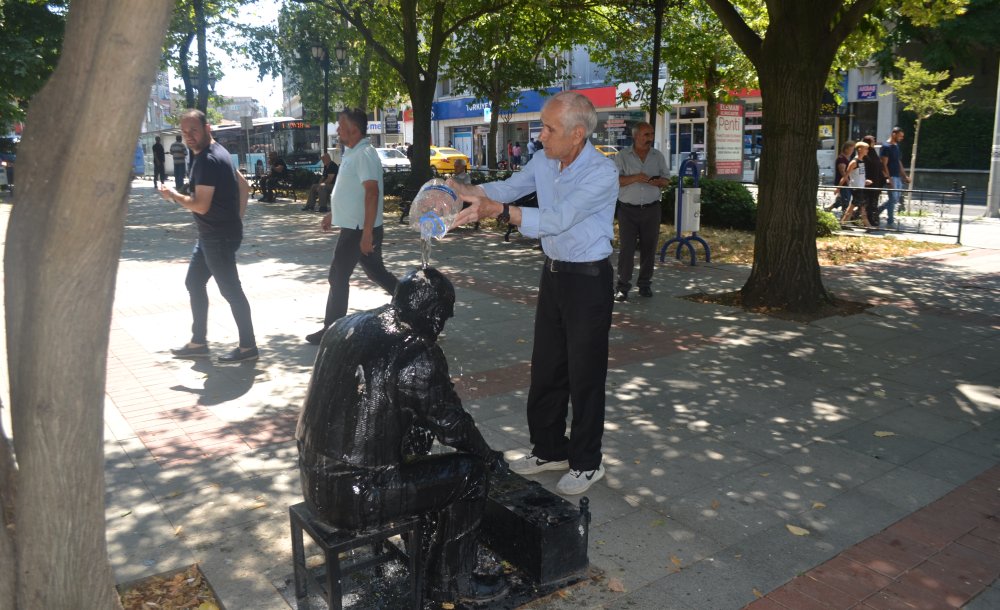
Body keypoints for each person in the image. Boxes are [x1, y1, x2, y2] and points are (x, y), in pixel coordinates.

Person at [296, 268, 509, 605]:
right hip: (357, 498)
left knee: (417, 441)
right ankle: (451, 583)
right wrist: (487, 457)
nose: (441, 328)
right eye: (444, 318)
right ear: (436, 315)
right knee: (470, 475)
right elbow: (452, 425)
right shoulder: (415, 351)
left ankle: (423, 548)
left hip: (313, 479)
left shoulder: (344, 325)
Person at [447, 90, 617, 495]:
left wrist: (500, 214)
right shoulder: (545, 160)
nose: (540, 136)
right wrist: (468, 191)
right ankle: (549, 448)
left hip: (589, 280)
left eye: (548, 128)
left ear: (577, 135)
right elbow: (508, 187)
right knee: (547, 367)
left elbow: (557, 219)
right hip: (555, 275)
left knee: (585, 374)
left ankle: (587, 462)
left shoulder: (601, 173)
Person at [159, 109, 258, 363]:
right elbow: (243, 186)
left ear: (207, 128)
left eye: (194, 130)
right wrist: (236, 218)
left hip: (217, 237)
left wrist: (173, 195)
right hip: (212, 235)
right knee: (194, 282)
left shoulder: (207, 160)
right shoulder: (219, 152)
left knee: (231, 291)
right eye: (184, 132)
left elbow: (200, 205)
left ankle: (248, 348)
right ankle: (198, 342)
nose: (189, 136)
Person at [306, 108, 399, 346]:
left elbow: (371, 193)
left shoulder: (364, 154)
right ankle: (411, 301)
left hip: (359, 230)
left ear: (354, 130)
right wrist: (332, 213)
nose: (337, 129)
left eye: (341, 125)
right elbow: (351, 192)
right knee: (376, 272)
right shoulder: (352, 152)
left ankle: (331, 330)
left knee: (337, 276)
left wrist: (367, 233)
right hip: (357, 228)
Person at [613, 121, 669, 302]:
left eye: (651, 134)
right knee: (627, 249)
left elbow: (666, 179)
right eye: (646, 135)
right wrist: (636, 177)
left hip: (652, 209)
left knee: (649, 248)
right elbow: (615, 180)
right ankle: (622, 286)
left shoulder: (657, 156)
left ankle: (645, 284)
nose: (650, 138)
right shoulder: (622, 156)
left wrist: (658, 182)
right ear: (636, 136)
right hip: (627, 210)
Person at [880, 126, 910, 227]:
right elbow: (884, 164)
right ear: (894, 134)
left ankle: (878, 210)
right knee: (892, 198)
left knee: (895, 199)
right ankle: (890, 221)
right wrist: (888, 178)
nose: (901, 138)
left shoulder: (896, 146)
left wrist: (904, 176)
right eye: (900, 136)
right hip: (891, 176)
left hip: (897, 176)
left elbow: (898, 161)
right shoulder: (886, 146)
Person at [839, 140, 873, 228]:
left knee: (852, 207)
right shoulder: (854, 162)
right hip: (856, 188)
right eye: (866, 149)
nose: (867, 151)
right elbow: (846, 175)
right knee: (862, 208)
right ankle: (868, 225)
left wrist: (865, 181)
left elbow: (859, 175)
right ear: (860, 149)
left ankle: (843, 223)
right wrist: (838, 188)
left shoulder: (862, 162)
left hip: (860, 187)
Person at [861, 134, 886, 228]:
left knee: (872, 202)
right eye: (872, 140)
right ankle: (869, 220)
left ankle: (871, 220)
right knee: (868, 203)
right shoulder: (866, 154)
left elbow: (878, 166)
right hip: (870, 182)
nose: (874, 142)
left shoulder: (873, 152)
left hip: (876, 181)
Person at [825, 141, 855, 213]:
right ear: (846, 149)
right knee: (846, 200)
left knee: (841, 200)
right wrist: (848, 181)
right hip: (843, 183)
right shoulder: (841, 159)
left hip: (845, 183)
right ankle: (844, 217)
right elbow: (842, 171)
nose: (852, 151)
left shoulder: (846, 158)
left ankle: (829, 209)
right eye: (851, 149)